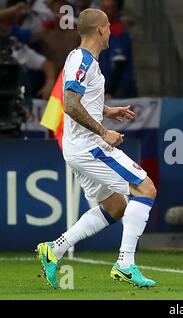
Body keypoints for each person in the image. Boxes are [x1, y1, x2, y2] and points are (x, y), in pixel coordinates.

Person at [36, 8, 157, 289]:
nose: (112, 32)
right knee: (146, 188)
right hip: (90, 146)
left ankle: (54, 249)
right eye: (109, 27)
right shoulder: (83, 60)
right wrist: (104, 131)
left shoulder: (82, 59)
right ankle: (126, 264)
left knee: (115, 206)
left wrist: (107, 111)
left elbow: (81, 100)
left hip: (79, 147)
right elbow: (70, 104)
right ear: (101, 29)